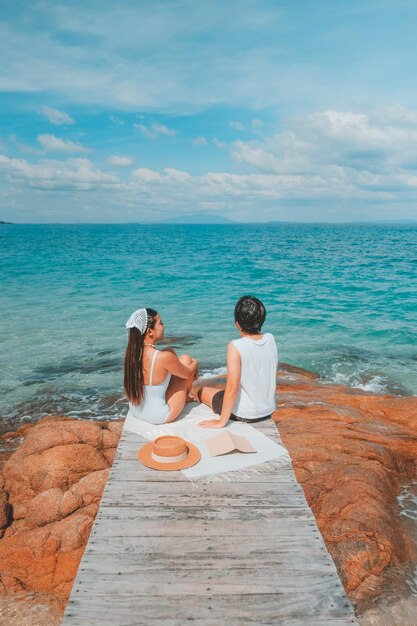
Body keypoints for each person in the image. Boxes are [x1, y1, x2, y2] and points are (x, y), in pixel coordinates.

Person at [199, 295, 277, 428]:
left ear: (237, 324)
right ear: (262, 319)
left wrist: (221, 422)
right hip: (267, 410)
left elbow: (232, 388)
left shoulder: (235, 346)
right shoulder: (270, 338)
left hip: (245, 413)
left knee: (202, 392)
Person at [124, 308, 198, 424]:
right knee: (187, 359)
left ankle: (183, 397)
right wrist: (196, 362)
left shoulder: (132, 355)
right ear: (149, 331)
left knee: (170, 351)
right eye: (161, 323)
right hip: (159, 416)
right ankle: (185, 398)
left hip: (136, 410)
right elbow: (188, 373)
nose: (164, 327)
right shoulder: (163, 357)